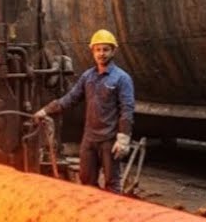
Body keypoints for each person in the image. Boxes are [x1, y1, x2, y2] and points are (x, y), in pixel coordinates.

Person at [34, 29, 135, 193]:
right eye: (98, 50)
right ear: (93, 51)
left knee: (112, 183)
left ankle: (113, 215)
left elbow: (127, 110)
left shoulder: (122, 78)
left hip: (109, 139)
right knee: (86, 180)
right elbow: (70, 98)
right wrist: (45, 111)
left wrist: (123, 138)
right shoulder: (88, 76)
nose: (101, 54)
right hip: (90, 138)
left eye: (105, 49)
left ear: (113, 51)